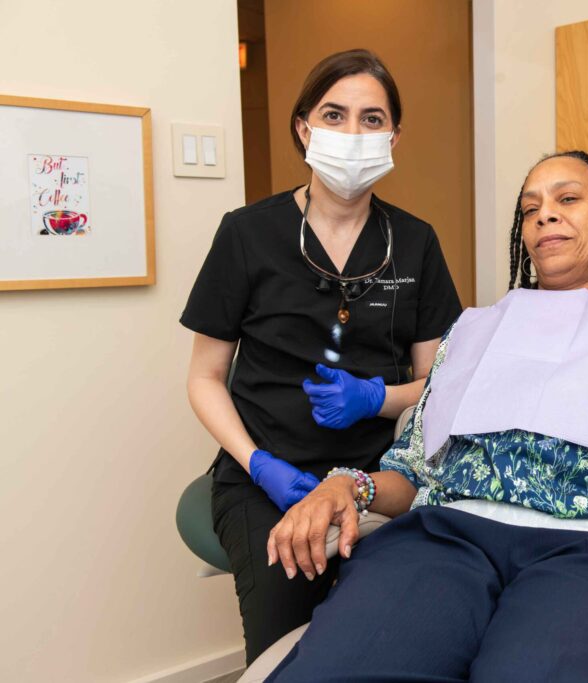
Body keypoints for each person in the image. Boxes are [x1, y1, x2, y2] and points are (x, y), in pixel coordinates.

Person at [263, 151, 588, 682]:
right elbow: (412, 473)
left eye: (568, 199)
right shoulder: (475, 333)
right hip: (445, 538)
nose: (545, 215)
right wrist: (347, 485)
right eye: (530, 209)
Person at [180, 49, 462, 663]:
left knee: (404, 634)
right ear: (304, 128)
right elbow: (204, 378)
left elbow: (443, 383)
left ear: (393, 137)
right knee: (290, 647)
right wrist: (258, 464)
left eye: (371, 119)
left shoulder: (414, 242)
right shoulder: (246, 234)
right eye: (334, 115)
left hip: (378, 479)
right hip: (265, 478)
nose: (353, 133)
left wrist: (377, 398)